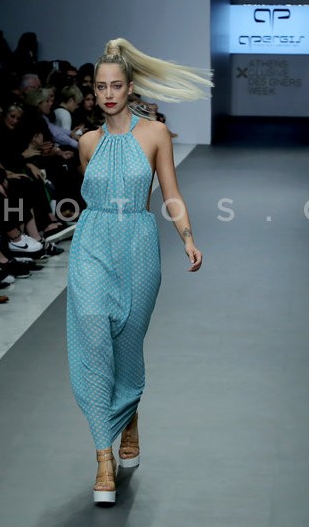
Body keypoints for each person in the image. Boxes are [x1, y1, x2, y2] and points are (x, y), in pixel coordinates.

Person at [66, 38, 211, 505]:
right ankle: (103, 459)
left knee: (126, 347)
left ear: (130, 88)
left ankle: (129, 417)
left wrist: (187, 237)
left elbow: (171, 192)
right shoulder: (86, 143)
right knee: (94, 339)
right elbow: (91, 197)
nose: (108, 94)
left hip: (138, 245)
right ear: (93, 91)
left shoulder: (155, 134)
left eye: (116, 86)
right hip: (91, 244)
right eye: (100, 87)